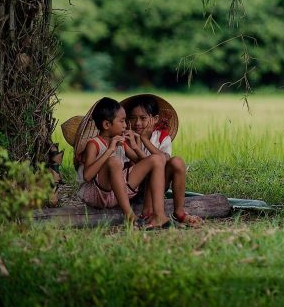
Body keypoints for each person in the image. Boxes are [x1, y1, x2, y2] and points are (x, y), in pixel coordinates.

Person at [75, 97, 170, 229]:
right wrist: (109, 151)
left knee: (157, 159)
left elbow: (145, 165)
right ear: (107, 125)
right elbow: (87, 176)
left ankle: (159, 215)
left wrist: (135, 146)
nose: (126, 125)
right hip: (98, 195)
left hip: (118, 194)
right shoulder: (94, 144)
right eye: (122, 121)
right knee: (113, 162)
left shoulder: (121, 142)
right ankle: (129, 216)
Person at [122, 94, 203, 227]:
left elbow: (164, 159)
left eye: (143, 118)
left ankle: (179, 212)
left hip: (157, 186)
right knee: (153, 167)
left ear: (155, 119)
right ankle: (148, 212)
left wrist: (145, 140)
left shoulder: (162, 137)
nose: (137, 123)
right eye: (132, 118)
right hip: (132, 188)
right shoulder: (125, 137)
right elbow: (140, 165)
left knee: (177, 162)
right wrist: (136, 144)